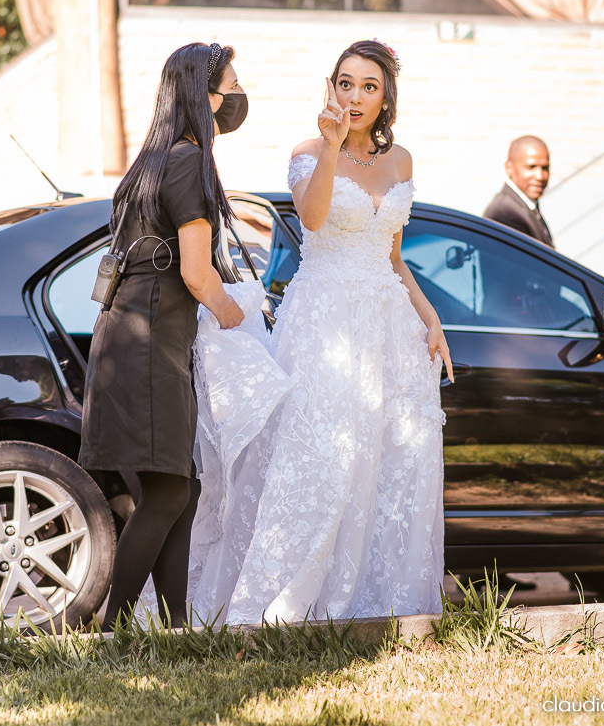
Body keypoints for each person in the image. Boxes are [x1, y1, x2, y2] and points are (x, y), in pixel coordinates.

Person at [191, 40, 452, 624]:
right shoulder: (309, 151)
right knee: (321, 456)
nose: (354, 96)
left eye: (368, 86)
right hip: (325, 322)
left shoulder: (401, 161)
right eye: (344, 83)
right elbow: (311, 217)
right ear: (330, 88)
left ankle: (375, 607)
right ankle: (280, 606)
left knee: (389, 462)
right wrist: (333, 146)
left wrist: (430, 320)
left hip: (388, 329)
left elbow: (392, 258)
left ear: (386, 100)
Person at [79, 42, 247, 629]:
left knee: (181, 489)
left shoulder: (154, 161)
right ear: (205, 95)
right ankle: (115, 629)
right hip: (149, 346)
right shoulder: (186, 163)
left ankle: (175, 628)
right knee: (172, 493)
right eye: (230, 86)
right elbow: (197, 274)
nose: (236, 98)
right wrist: (236, 312)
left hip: (134, 341)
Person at [483, 135, 553, 247]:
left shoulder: (526, 206)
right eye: (531, 167)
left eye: (545, 168)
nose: (540, 176)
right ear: (509, 168)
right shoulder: (504, 214)